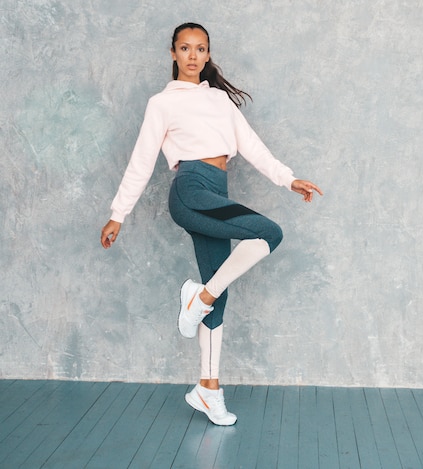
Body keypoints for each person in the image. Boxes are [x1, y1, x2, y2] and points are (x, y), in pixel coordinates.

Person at [100, 22, 322, 426]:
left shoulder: (220, 100)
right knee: (268, 233)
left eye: (200, 49)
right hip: (190, 191)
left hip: (214, 192)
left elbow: (252, 146)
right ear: (173, 53)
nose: (192, 56)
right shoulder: (162, 103)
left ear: (207, 54)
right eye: (184, 48)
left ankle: (208, 389)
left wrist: (288, 179)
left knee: (218, 299)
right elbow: (141, 159)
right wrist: (119, 213)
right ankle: (198, 299)